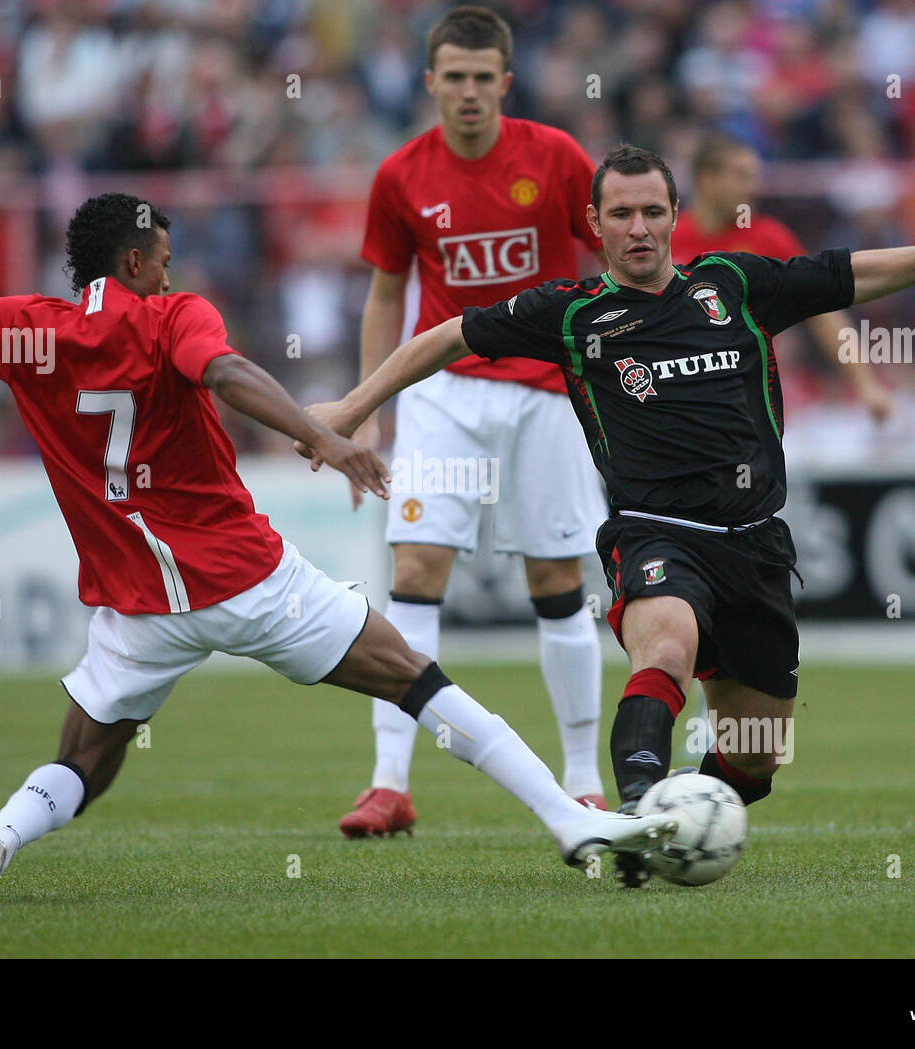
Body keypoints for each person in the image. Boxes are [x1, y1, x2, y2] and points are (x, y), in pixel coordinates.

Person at [0, 183, 675, 903]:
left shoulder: (26, 328)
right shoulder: (172, 314)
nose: (172, 271)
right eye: (165, 259)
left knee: (83, 759)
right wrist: (325, 435)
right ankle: (572, 821)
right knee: (417, 678)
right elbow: (227, 371)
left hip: (138, 607)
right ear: (136, 261)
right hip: (248, 579)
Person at [297, 144, 915, 887]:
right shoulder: (573, 315)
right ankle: (635, 819)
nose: (639, 227)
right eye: (620, 214)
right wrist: (355, 406)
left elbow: (850, 273)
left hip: (755, 543)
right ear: (595, 223)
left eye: (653, 211)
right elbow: (449, 334)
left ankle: (691, 799)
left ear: (675, 216)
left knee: (756, 756)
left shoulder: (733, 283)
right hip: (655, 534)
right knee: (666, 648)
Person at [340, 5, 611, 838]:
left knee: (558, 582)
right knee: (416, 571)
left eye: (480, 78)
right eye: (451, 77)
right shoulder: (399, 177)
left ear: (506, 83)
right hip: (442, 392)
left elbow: (608, 259)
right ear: (429, 82)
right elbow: (387, 294)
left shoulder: (557, 159)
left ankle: (581, 780)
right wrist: (366, 413)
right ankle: (389, 782)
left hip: (546, 392)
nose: (465, 93)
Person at [672, 132, 893, 422]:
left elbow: (822, 309)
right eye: (742, 176)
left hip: (747, 400)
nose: (753, 188)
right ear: (706, 179)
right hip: (678, 393)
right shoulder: (668, 239)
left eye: (754, 177)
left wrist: (865, 382)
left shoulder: (769, 238)